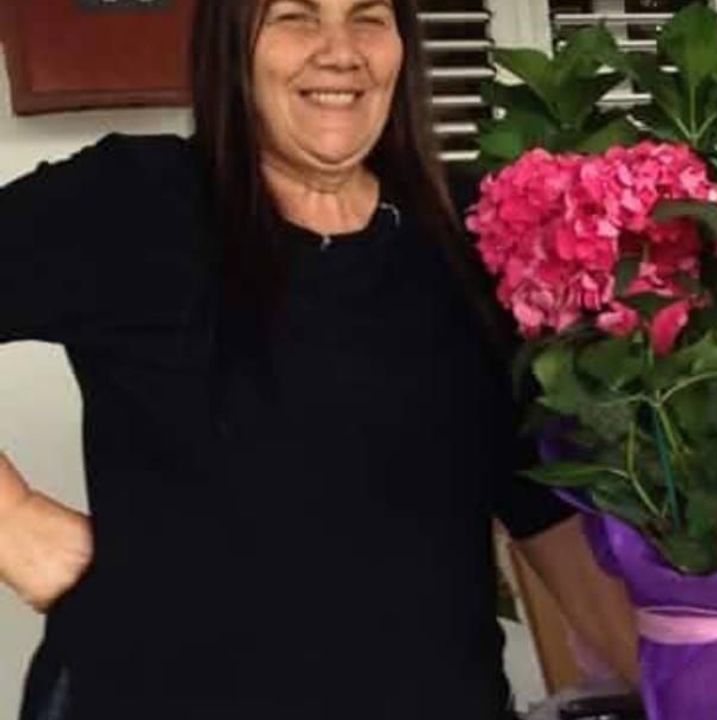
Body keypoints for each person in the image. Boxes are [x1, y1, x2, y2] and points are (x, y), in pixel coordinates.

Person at [0, 0, 637, 717]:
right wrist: (16, 526)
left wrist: (687, 673)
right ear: (233, 45)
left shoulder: (467, 240)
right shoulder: (132, 203)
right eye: (297, 17)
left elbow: (539, 500)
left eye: (368, 18)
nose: (340, 51)